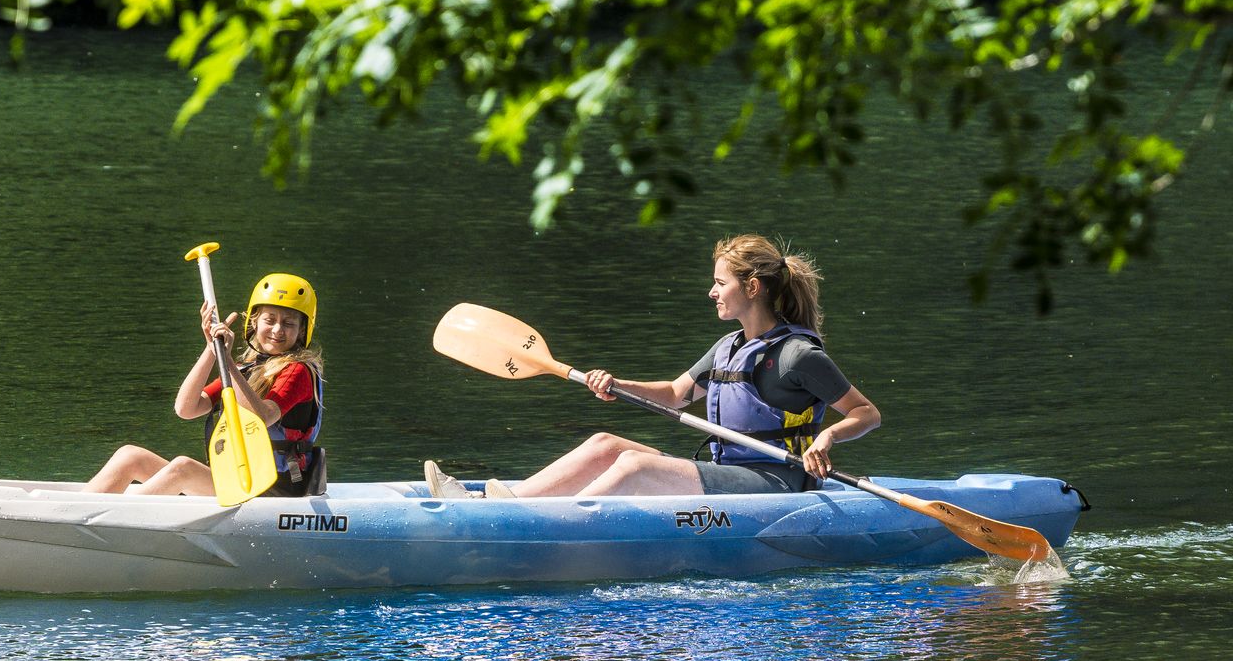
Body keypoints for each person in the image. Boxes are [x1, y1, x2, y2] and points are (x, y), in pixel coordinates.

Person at [430, 235, 880, 498]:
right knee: (606, 443)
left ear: (753, 287)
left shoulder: (797, 355)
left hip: (775, 482)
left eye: (720, 283)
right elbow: (672, 393)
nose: (712, 291)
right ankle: (501, 511)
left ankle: (545, 527)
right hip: (733, 473)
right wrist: (613, 382)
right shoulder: (729, 346)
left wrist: (827, 436)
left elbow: (866, 414)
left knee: (633, 466)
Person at [85, 273, 323, 496]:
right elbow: (186, 409)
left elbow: (260, 419)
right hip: (233, 481)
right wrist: (212, 349)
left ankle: (110, 516)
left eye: (289, 323)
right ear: (254, 322)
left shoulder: (298, 371)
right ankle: (78, 510)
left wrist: (226, 359)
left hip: (270, 487)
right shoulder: (245, 369)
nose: (277, 329)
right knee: (130, 456)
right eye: (269, 320)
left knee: (183, 467)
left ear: (302, 330)